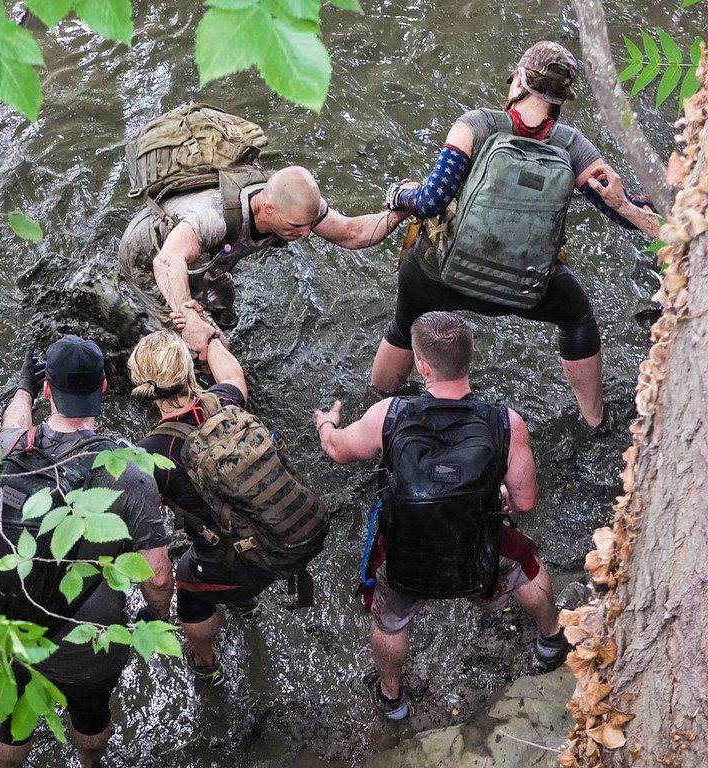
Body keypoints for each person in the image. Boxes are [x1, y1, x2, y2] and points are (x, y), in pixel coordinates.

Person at [375, 41, 661, 428]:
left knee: (407, 312)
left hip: (442, 276)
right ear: (563, 98)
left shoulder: (476, 124)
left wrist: (397, 194)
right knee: (576, 315)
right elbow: (623, 211)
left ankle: (381, 400)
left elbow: (430, 201)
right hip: (527, 288)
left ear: (520, 80)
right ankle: (595, 421)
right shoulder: (572, 146)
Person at [315, 311, 583, 720]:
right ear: (468, 360)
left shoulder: (389, 414)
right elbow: (526, 502)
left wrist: (326, 424)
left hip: (406, 550)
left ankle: (393, 700)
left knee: (389, 622)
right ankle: (550, 641)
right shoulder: (504, 422)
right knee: (527, 566)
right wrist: (504, 493)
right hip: (478, 545)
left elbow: (337, 450)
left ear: (422, 366)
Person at [0, 335, 172, 768]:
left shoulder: (6, 449)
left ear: (46, 392)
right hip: (85, 642)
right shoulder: (129, 472)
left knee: (14, 719)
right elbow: (159, 578)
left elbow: (12, 425)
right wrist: (154, 619)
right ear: (105, 390)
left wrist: (21, 388)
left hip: (9, 627)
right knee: (91, 717)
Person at [128, 326, 327, 686]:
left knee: (189, 587)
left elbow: (151, 526)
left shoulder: (149, 455)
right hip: (281, 539)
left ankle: (204, 661)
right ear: (189, 370)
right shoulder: (227, 401)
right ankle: (244, 603)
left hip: (233, 564)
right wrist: (208, 338)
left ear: (145, 390)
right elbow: (232, 372)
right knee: (226, 546)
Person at [119, 164, 409, 354]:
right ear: (267, 209)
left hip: (205, 258)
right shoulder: (214, 217)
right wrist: (191, 319)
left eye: (309, 225)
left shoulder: (298, 208)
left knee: (224, 312)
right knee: (200, 344)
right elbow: (167, 261)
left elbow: (352, 233)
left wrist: (401, 211)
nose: (308, 234)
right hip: (148, 254)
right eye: (297, 227)